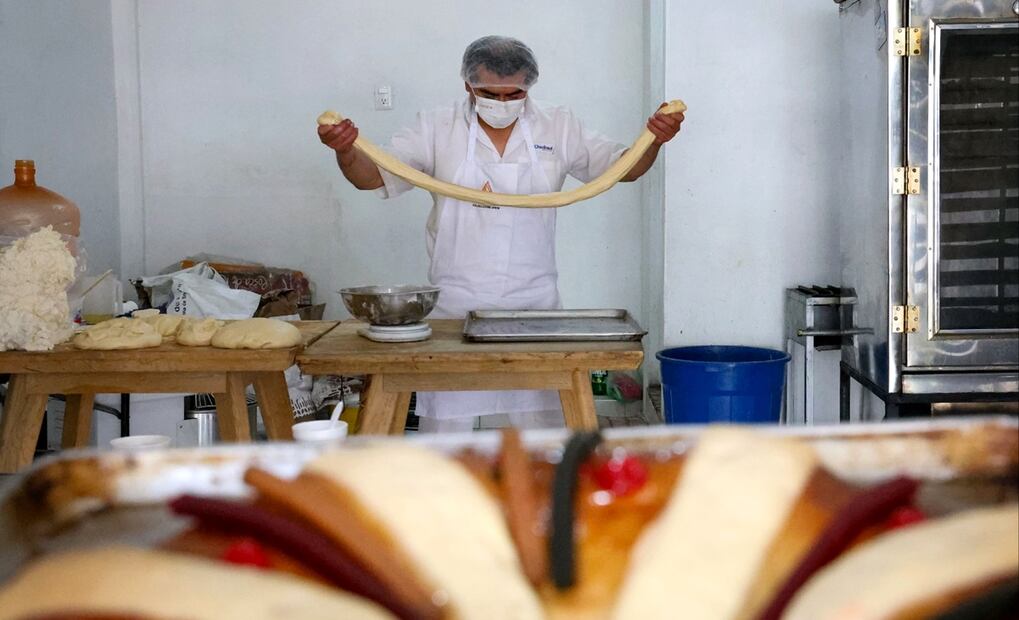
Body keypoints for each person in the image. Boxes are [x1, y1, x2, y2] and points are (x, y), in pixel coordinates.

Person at [319, 35, 684, 432]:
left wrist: (654, 141)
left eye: (515, 94)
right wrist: (346, 151)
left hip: (534, 304)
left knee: (543, 440)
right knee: (445, 437)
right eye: (491, 94)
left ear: (529, 87)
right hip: (456, 305)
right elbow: (372, 177)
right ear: (467, 86)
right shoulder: (436, 126)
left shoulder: (558, 125)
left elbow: (623, 168)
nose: (503, 103)